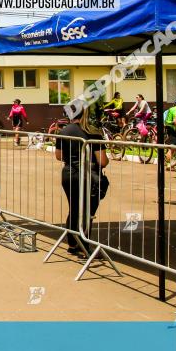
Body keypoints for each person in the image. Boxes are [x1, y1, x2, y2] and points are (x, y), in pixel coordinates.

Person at [54, 102, 109, 257]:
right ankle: (84, 247)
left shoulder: (63, 131)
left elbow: (58, 156)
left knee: (74, 208)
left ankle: (72, 244)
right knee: (86, 212)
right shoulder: (93, 132)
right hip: (87, 175)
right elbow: (103, 161)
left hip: (68, 173)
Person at [164, 98, 176, 171]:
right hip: (175, 130)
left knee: (171, 149)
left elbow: (167, 122)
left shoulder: (171, 109)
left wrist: (173, 123)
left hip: (173, 130)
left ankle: (168, 164)